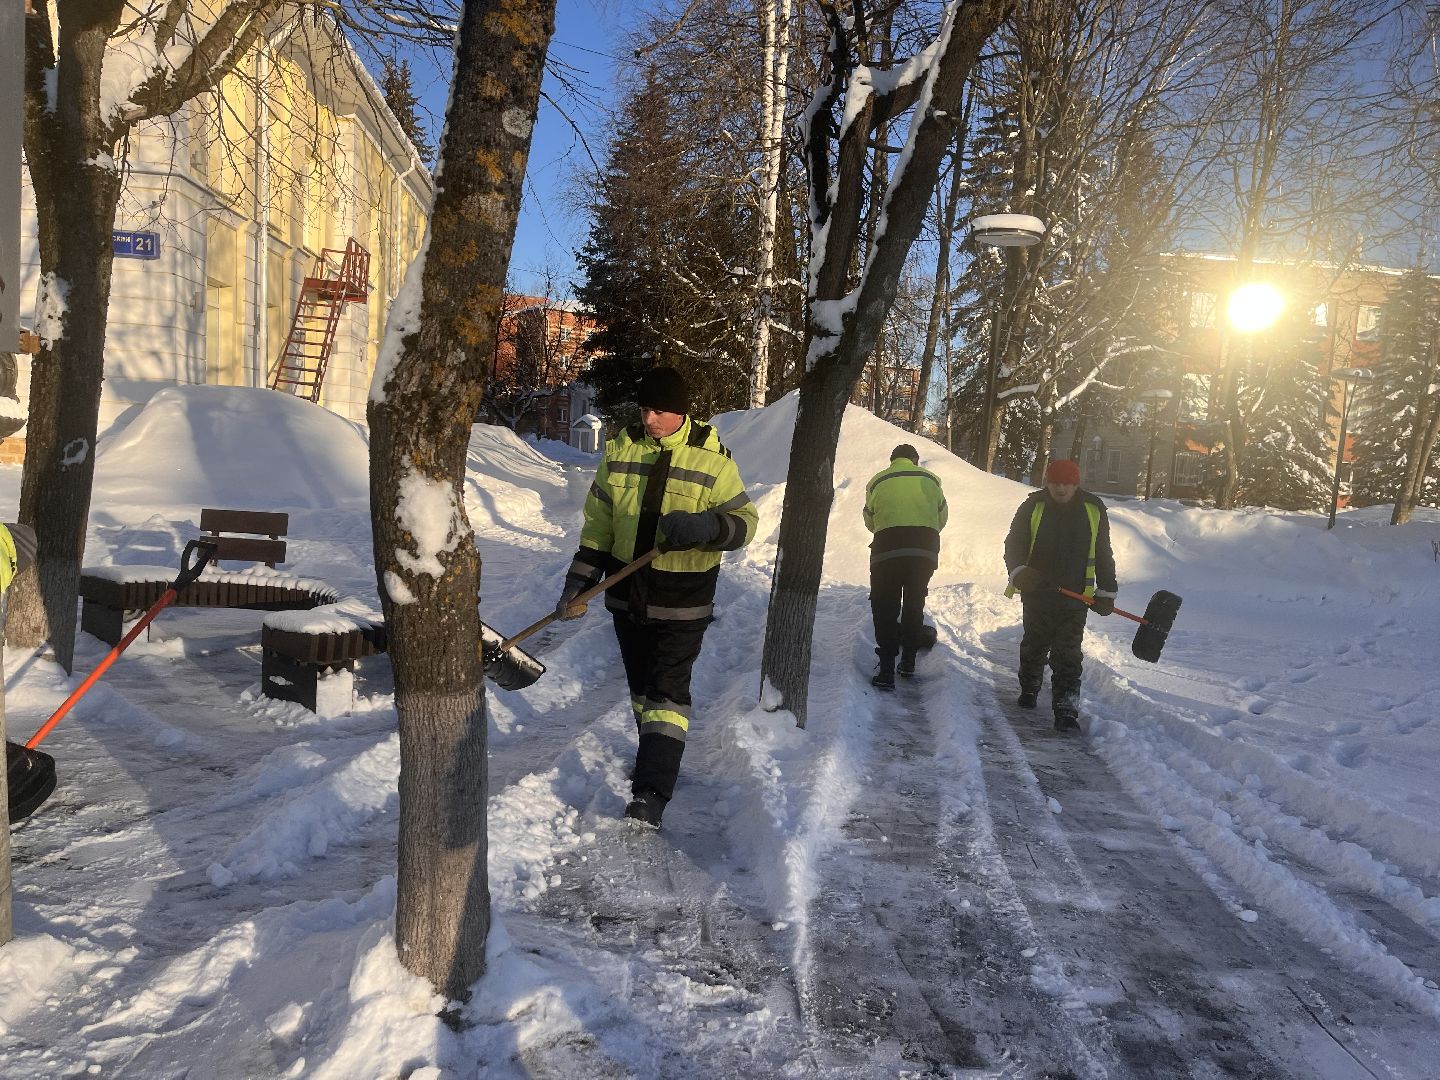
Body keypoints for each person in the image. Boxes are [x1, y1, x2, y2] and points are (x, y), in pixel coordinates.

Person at [555, 366, 758, 828]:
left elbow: (745, 523)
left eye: (659, 410)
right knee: (642, 691)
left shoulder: (714, 460)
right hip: (627, 596)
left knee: (667, 691)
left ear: (681, 411)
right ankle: (655, 755)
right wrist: (578, 584)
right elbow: (599, 527)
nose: (649, 418)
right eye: (644, 408)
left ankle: (652, 791)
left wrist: (708, 527)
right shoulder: (621, 452)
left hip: (683, 599)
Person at [1003, 458, 1117, 731]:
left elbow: (1103, 551)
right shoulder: (1032, 505)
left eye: (1067, 483)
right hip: (1037, 593)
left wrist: (1107, 591)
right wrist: (1019, 571)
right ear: (1047, 483)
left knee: (1068, 654)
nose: (1061, 489)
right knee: (1034, 645)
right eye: (1055, 483)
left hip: (1076, 597)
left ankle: (1066, 708)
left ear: (1076, 484)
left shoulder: (1093, 508)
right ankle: (1029, 687)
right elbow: (1013, 543)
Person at [862, 443, 947, 690]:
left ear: (892, 461)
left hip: (887, 548)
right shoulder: (931, 479)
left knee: (885, 604)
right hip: (924, 550)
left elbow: (870, 519)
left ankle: (887, 669)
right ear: (915, 461)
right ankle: (908, 661)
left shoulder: (877, 481)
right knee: (913, 602)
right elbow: (942, 517)